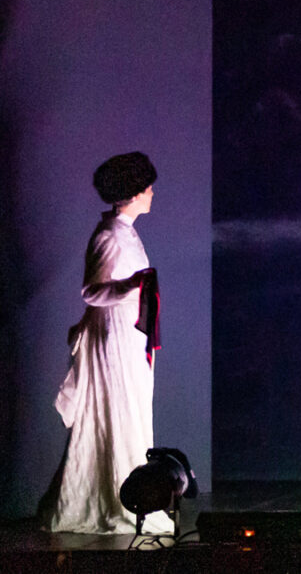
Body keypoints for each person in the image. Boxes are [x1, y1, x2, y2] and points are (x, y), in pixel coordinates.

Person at [39, 152, 172, 536]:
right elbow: (91, 291)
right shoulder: (109, 235)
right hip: (112, 339)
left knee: (129, 416)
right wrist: (132, 286)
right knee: (117, 416)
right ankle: (119, 501)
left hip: (126, 336)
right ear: (132, 193)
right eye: (147, 188)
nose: (151, 193)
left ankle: (131, 499)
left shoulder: (124, 231)